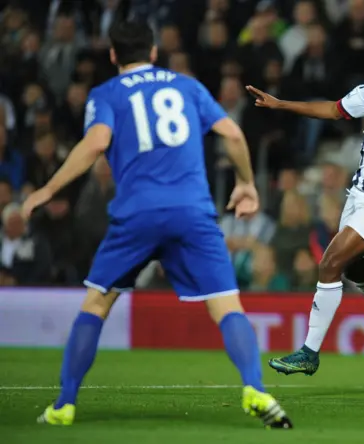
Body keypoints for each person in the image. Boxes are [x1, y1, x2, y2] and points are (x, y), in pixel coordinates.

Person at [22, 20, 292, 429]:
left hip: (138, 214)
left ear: (113, 55)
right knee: (226, 306)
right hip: (192, 212)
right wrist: (246, 184)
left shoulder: (107, 93)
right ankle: (255, 388)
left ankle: (64, 404)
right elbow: (233, 134)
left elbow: (95, 143)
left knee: (96, 304)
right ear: (152, 52)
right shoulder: (188, 86)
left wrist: (47, 189)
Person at [246, 33, 364, 376]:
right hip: (358, 195)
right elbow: (334, 109)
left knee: (330, 261)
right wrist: (281, 104)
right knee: (353, 269)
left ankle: (309, 352)